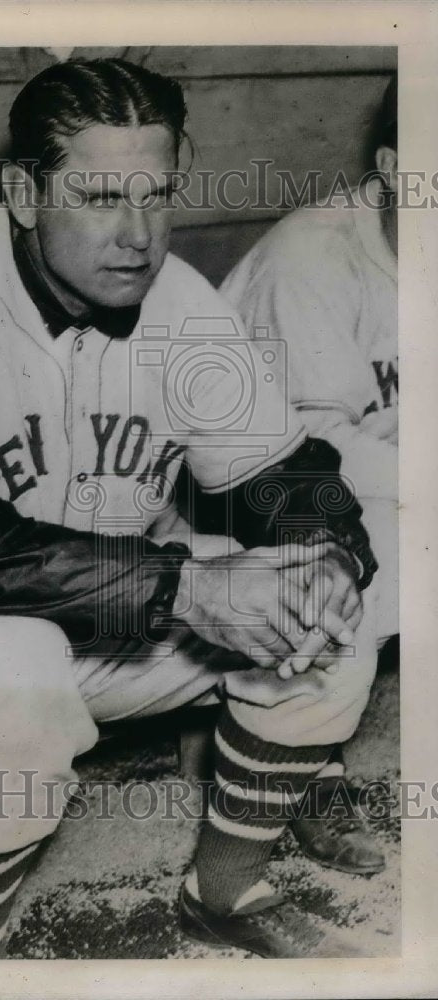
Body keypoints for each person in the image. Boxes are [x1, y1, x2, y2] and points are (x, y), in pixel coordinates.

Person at [0, 58, 380, 960]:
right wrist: (192, 589)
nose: (139, 234)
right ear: (24, 193)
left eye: (157, 195)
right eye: (101, 195)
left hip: (110, 603)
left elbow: (290, 473)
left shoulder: (176, 299)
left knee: (326, 614)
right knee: (14, 672)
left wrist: (330, 557)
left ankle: (226, 890)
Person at [220, 75, 397, 876]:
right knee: (369, 559)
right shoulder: (315, 258)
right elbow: (309, 451)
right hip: (237, 506)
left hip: (378, 482)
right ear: (395, 168)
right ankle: (302, 768)